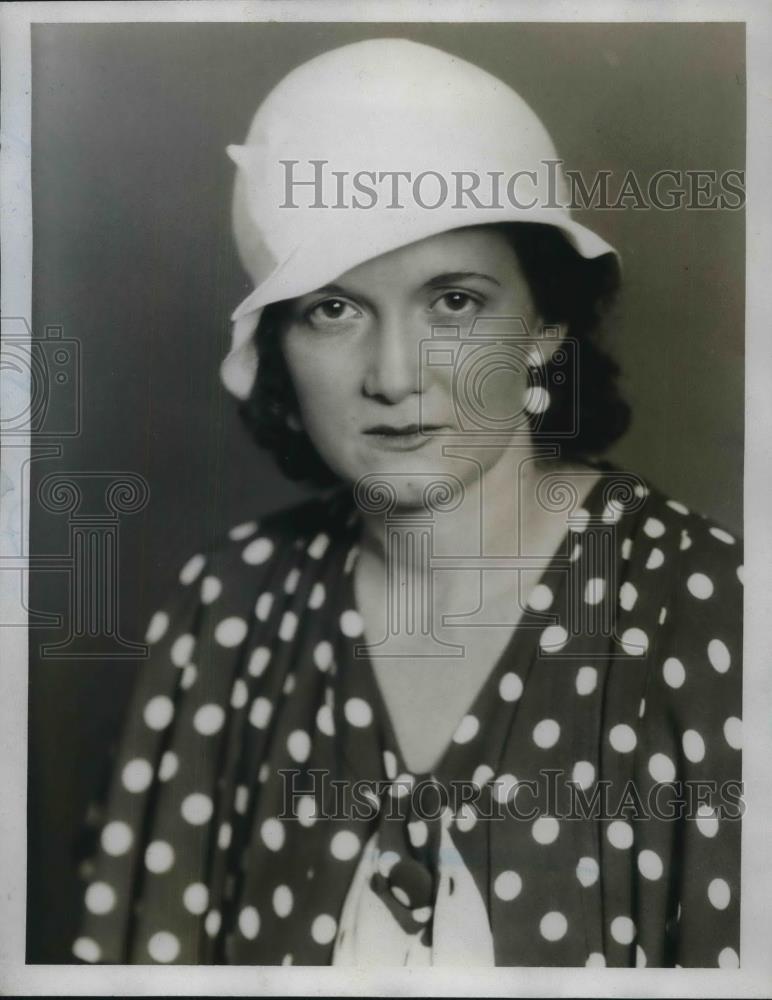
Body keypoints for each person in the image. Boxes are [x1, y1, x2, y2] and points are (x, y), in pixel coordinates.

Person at [71, 38, 742, 968]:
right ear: (277, 346)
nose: (395, 376)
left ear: (546, 327)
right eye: (333, 310)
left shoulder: (713, 608)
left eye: (454, 302)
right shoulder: (227, 606)